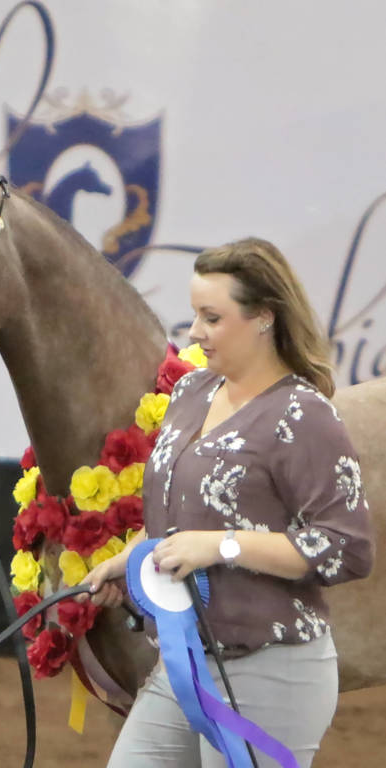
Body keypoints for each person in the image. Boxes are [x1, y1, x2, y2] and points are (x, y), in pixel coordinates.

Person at [80, 237, 375, 767]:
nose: (194, 333)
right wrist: (125, 563)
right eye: (195, 315)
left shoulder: (302, 415)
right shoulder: (191, 393)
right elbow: (181, 527)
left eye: (212, 318)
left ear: (263, 318)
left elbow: (346, 549)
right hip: (184, 665)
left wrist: (223, 546)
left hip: (272, 673)